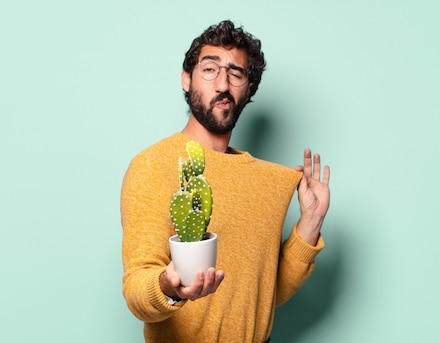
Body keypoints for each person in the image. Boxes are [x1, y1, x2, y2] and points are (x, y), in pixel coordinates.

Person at [120, 20, 330, 343]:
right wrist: (168, 286)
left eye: (236, 74)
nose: (222, 84)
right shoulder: (151, 166)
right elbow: (137, 287)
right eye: (209, 69)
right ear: (186, 79)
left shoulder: (270, 183)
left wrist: (310, 223)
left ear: (249, 90)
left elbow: (265, 295)